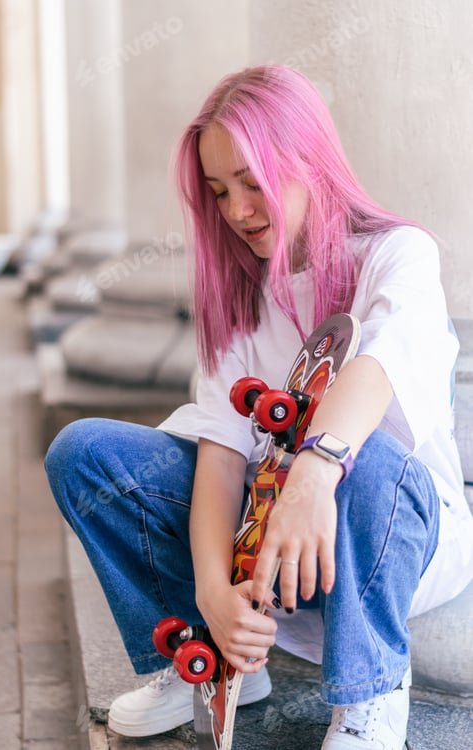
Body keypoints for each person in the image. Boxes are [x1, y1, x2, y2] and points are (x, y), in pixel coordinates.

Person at [45, 65, 473, 749]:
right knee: (85, 453)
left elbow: (376, 369)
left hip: (388, 541)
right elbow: (218, 454)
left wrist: (313, 472)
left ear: (310, 162)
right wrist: (214, 595)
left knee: (364, 461)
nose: (236, 209)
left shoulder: (397, 255)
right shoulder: (242, 296)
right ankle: (208, 658)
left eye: (252, 182)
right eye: (218, 191)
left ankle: (370, 692)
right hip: (268, 550)